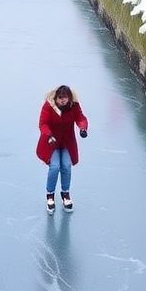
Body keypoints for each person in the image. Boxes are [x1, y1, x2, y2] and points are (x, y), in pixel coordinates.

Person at [36, 85, 89, 214]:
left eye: (65, 98)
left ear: (69, 98)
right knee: (54, 166)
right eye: (60, 98)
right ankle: (50, 195)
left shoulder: (74, 106)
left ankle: (65, 194)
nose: (63, 100)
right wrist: (48, 135)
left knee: (66, 165)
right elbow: (43, 124)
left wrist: (83, 128)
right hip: (51, 143)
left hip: (66, 143)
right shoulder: (49, 107)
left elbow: (81, 118)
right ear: (56, 98)